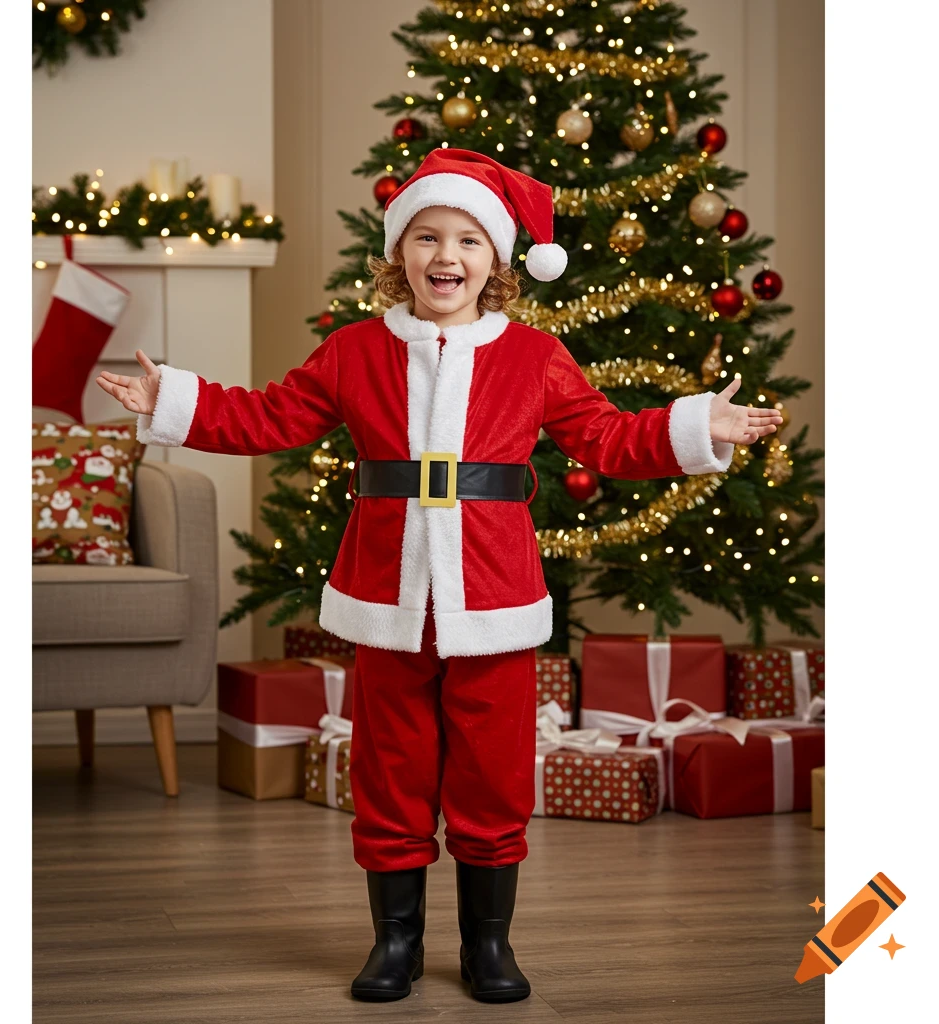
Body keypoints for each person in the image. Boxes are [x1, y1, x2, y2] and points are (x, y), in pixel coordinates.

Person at [96, 148, 781, 1004]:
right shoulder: (353, 351)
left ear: (497, 261)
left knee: (492, 774)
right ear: (399, 255)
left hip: (492, 597)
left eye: (466, 239)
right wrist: (177, 400)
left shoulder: (535, 357)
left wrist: (696, 425)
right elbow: (269, 415)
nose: (445, 255)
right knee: (391, 771)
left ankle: (488, 944)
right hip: (388, 599)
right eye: (425, 237)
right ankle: (395, 942)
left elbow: (608, 438)